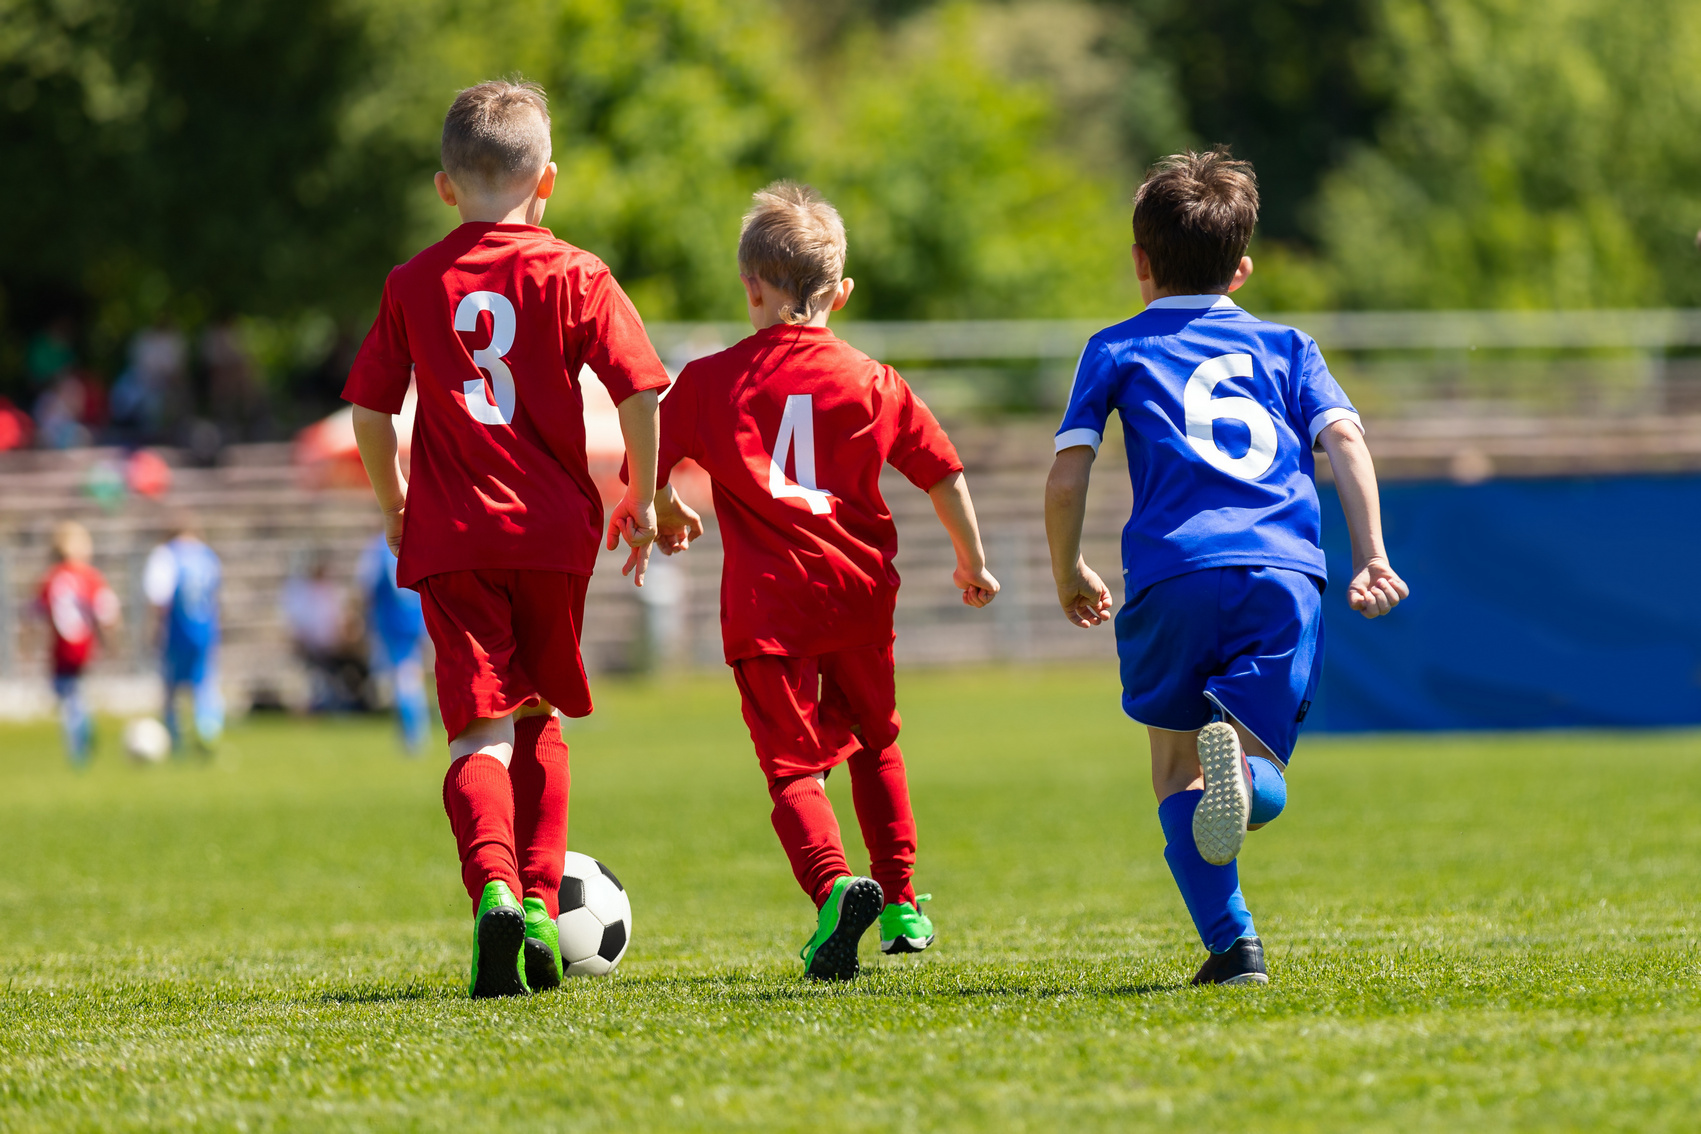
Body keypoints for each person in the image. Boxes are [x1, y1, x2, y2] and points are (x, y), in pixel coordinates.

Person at [1043, 151, 1409, 987]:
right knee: (1253, 771)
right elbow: (1345, 441)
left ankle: (1234, 945)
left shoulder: (1112, 348)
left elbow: (1067, 477)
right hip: (1280, 574)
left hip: (1171, 574)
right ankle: (1246, 786)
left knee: (1174, 770)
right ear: (1240, 270)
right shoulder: (1288, 346)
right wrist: (1372, 554)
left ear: (1139, 262)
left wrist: (1068, 571)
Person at [343, 79, 669, 999]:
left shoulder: (412, 282)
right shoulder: (577, 273)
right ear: (548, 180)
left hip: (451, 533)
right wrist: (639, 497)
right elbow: (644, 391)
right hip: (554, 531)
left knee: (476, 735)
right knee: (540, 718)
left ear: (444, 186)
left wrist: (396, 504)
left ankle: (489, 886)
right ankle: (535, 899)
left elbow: (370, 407)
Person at [651, 182, 1001, 981]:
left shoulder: (708, 382)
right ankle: (904, 902)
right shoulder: (873, 380)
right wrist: (970, 560)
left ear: (751, 288)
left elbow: (650, 459)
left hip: (767, 604)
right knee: (876, 743)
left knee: (792, 766)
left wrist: (662, 510)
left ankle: (834, 887)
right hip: (857, 590)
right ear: (839, 293)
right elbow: (942, 473)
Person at [36, 521, 121, 765]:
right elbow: (107, 612)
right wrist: (110, 642)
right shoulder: (91, 576)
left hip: (62, 648)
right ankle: (83, 728)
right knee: (73, 693)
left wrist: (29, 644)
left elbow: (35, 612)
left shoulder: (51, 577)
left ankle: (78, 747)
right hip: (84, 645)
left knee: (68, 695)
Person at [144, 518, 225, 752]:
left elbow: (159, 598)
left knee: (171, 687)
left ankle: (173, 738)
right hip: (205, 630)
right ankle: (208, 731)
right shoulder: (207, 555)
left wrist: (155, 629)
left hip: (176, 630)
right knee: (204, 683)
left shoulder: (165, 555)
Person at [354, 533, 431, 753]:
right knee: (409, 675)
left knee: (404, 678)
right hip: (416, 619)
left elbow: (367, 586)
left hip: (393, 622)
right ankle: (413, 733)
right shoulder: (415, 542)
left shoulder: (379, 548)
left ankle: (413, 735)